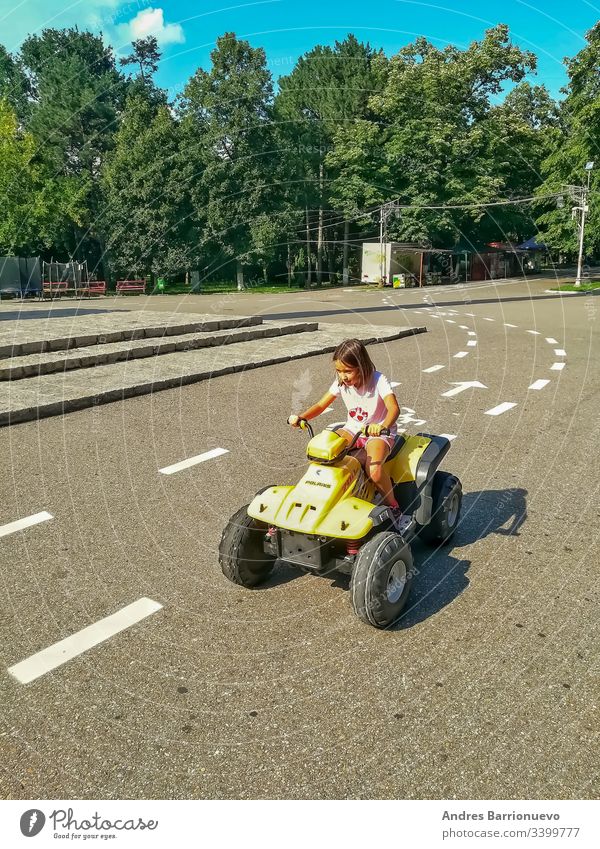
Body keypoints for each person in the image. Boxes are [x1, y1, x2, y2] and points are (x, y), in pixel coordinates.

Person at [288, 338, 403, 515]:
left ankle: (394, 506)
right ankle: (323, 497)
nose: (343, 376)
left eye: (348, 371)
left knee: (374, 469)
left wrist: (383, 426)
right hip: (353, 428)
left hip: (378, 433)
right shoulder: (341, 382)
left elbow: (394, 408)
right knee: (326, 451)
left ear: (362, 366)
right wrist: (302, 417)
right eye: (339, 371)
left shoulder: (378, 380)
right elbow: (320, 405)